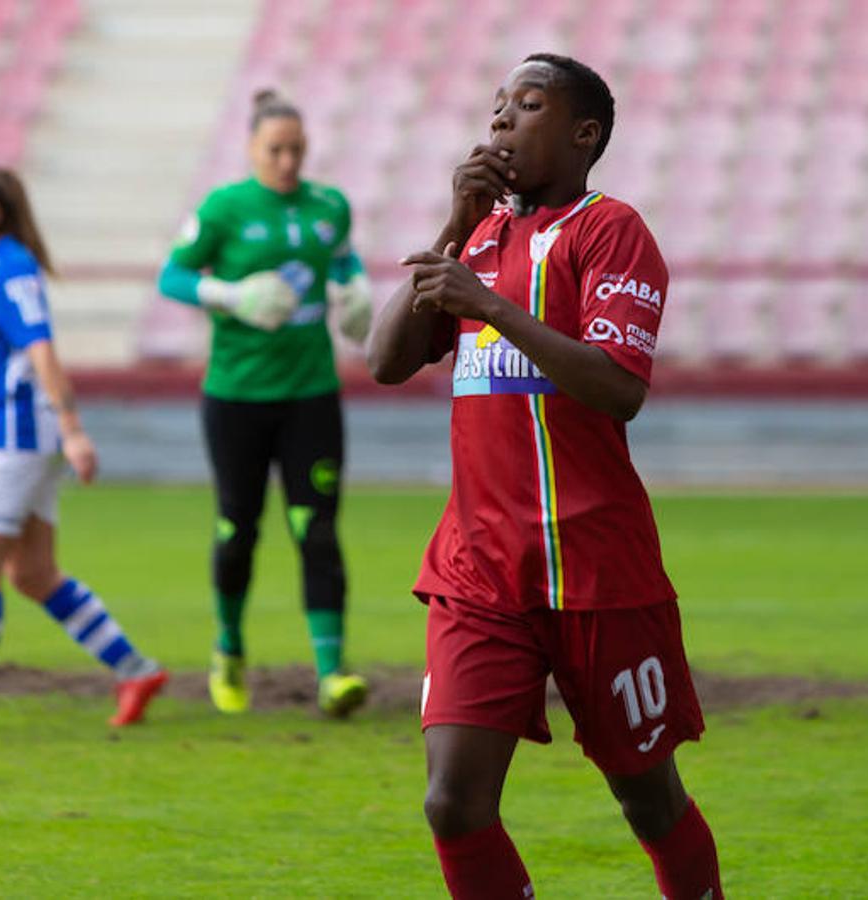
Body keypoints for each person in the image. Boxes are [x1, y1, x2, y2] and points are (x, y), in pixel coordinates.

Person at [368, 54, 723, 898]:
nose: (500, 122)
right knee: (453, 802)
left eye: (526, 106)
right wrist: (455, 222)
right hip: (479, 568)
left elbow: (617, 388)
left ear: (582, 134)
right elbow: (385, 361)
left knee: (647, 797)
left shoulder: (612, 231)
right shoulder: (479, 237)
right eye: (497, 107)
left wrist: (490, 307)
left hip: (595, 566)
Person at [0, 167, 168, 732]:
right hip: (10, 435)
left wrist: (74, 428)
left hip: (8, 439)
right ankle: (136, 670)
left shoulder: (8, 267)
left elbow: (41, 351)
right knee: (34, 573)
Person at [157, 90, 372, 718]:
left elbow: (340, 257)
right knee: (237, 530)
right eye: (276, 149)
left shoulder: (330, 207)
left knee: (318, 528)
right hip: (237, 397)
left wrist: (354, 285)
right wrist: (229, 295)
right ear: (252, 149)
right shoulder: (224, 209)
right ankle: (228, 647)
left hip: (311, 395)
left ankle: (332, 672)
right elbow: (172, 276)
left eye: (296, 150)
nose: (287, 160)